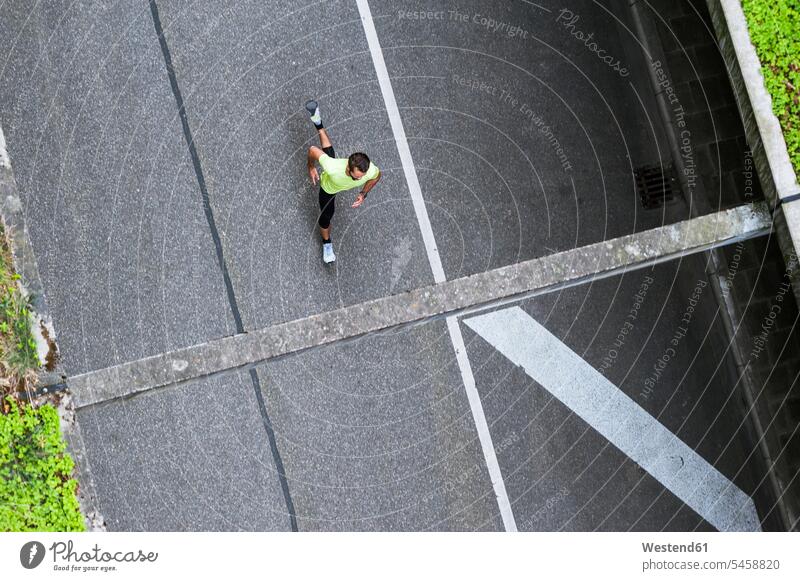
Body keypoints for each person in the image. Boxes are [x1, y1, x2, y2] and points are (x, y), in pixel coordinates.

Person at [305, 100, 381, 263]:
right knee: (326, 217)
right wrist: (311, 167)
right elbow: (313, 150)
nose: (360, 179)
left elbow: (377, 176)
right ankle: (327, 244)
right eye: (356, 177)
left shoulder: (369, 171)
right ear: (348, 169)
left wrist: (363, 192)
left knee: (329, 153)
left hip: (336, 170)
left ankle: (318, 121)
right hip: (329, 189)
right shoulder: (332, 168)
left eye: (362, 176)